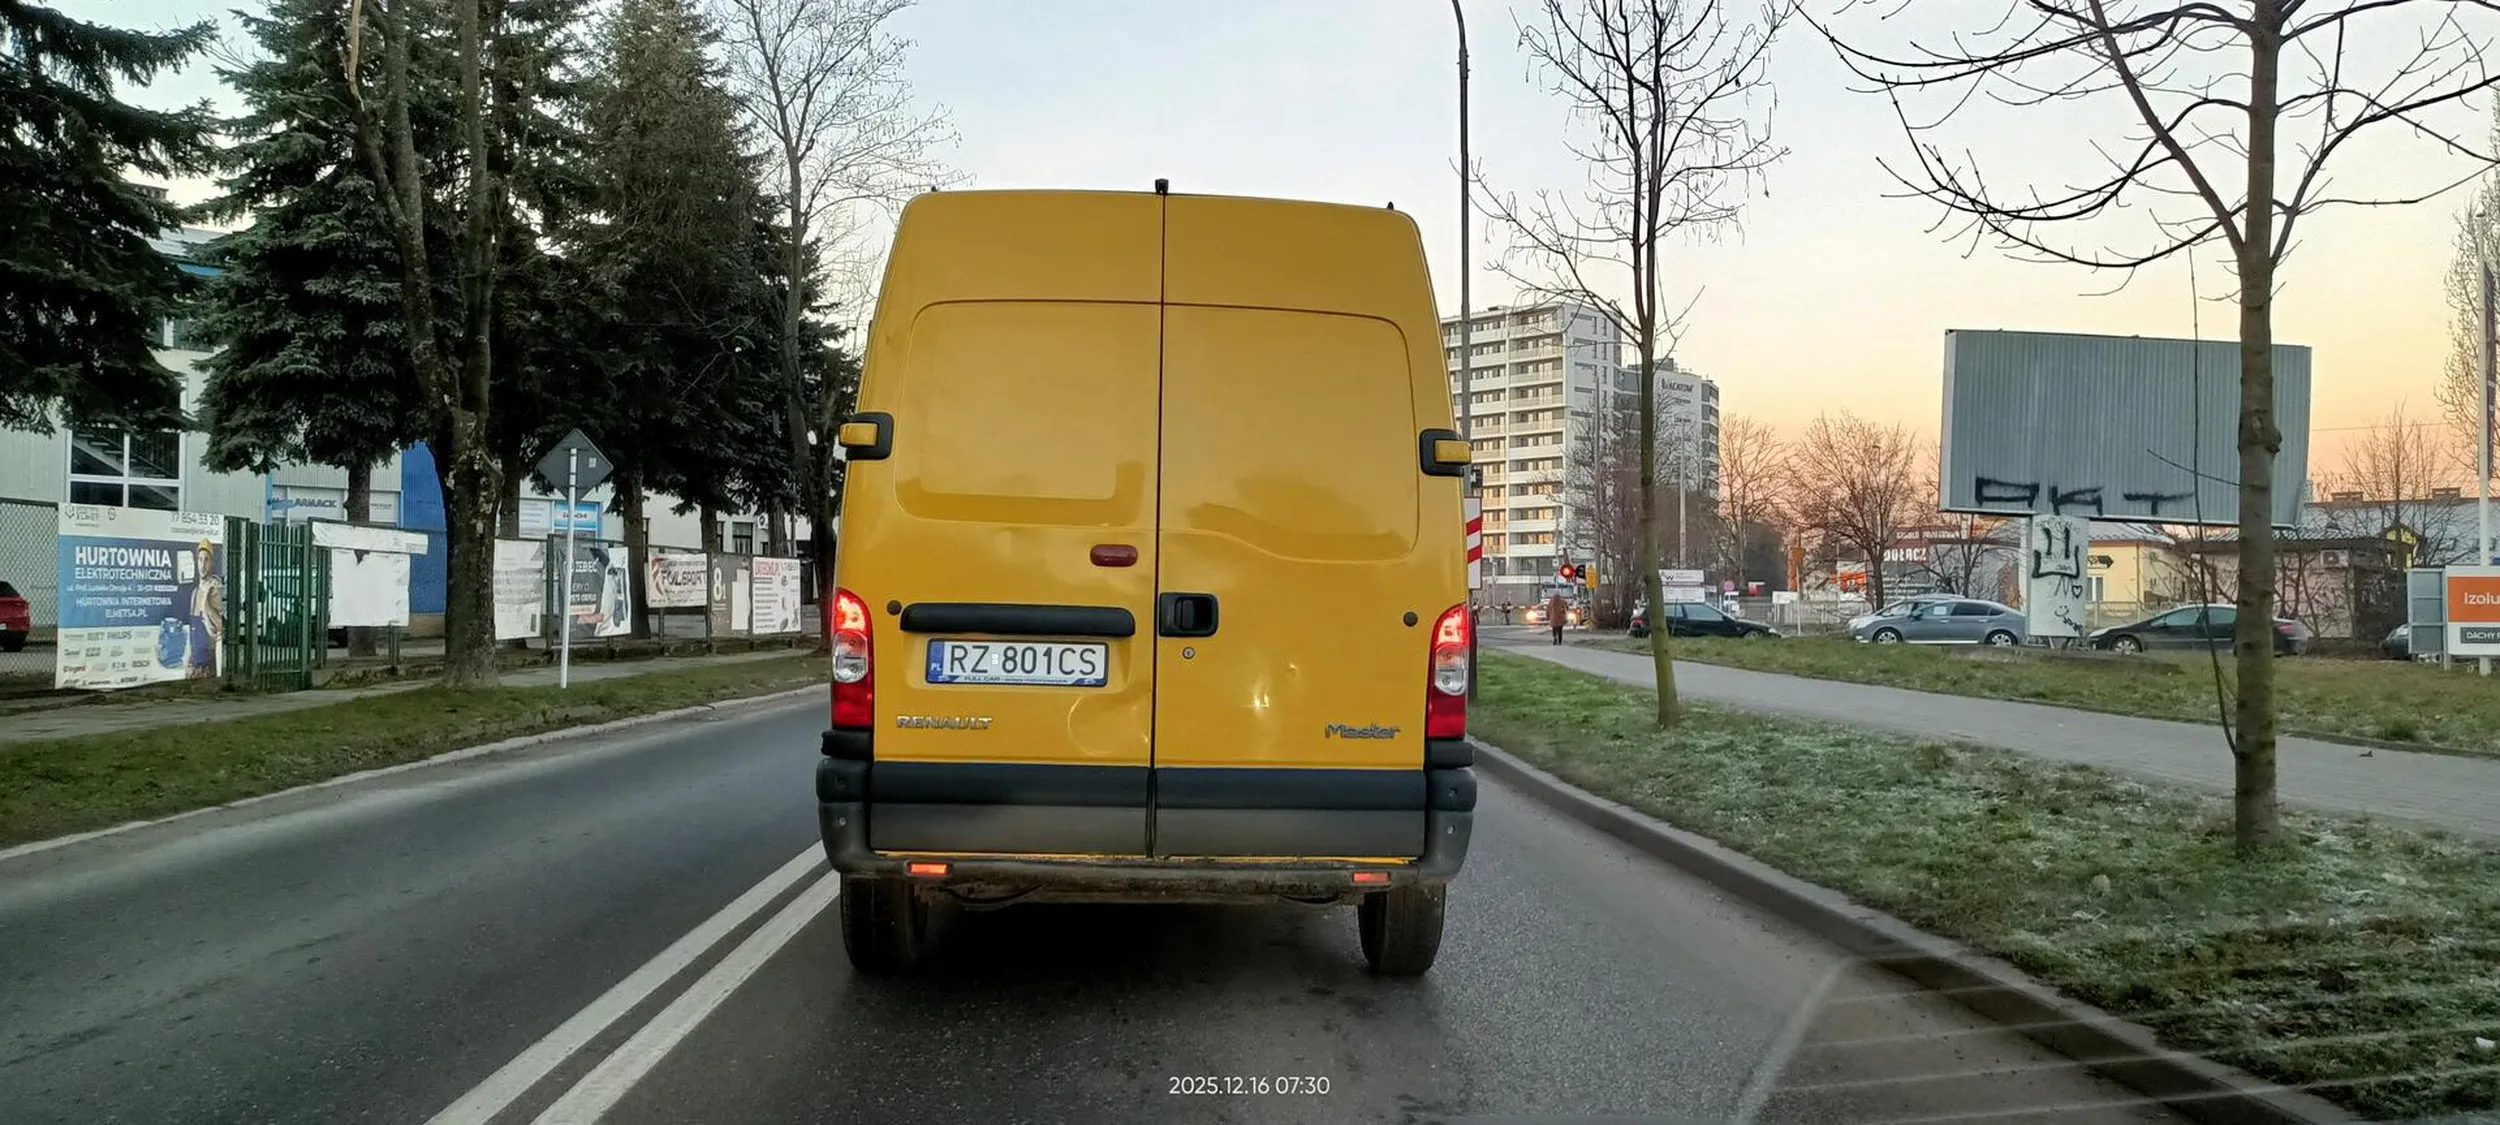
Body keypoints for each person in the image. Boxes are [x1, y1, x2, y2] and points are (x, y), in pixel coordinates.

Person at [184, 539, 224, 679]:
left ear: (211, 563)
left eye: (206, 560)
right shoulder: (195, 593)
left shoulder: (214, 590)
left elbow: (220, 626)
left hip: (208, 669)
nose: (202, 564)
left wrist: (206, 605)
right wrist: (187, 664)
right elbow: (192, 631)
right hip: (193, 668)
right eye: (200, 559)